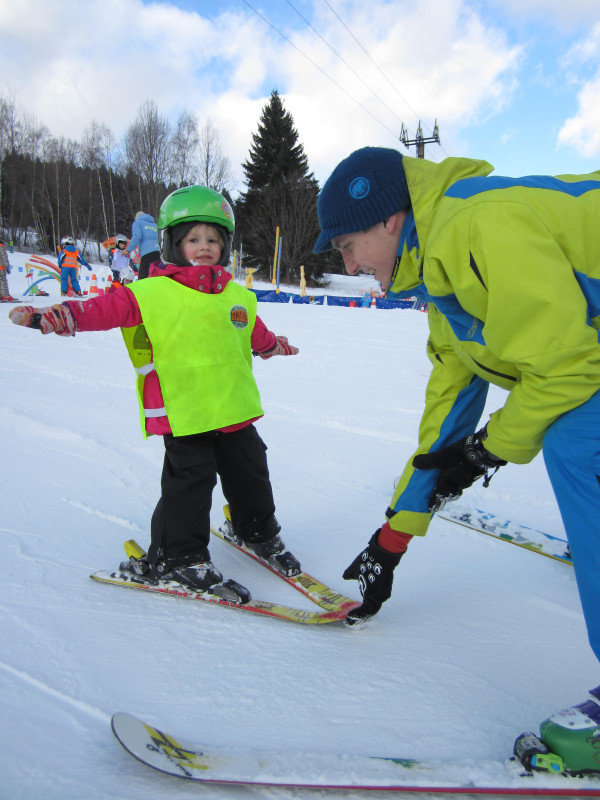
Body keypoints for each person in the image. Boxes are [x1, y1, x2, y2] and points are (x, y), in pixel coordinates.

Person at [313, 146, 600, 773]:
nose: (351, 264)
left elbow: (570, 366)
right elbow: (445, 420)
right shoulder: (443, 285)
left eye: (346, 246)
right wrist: (392, 539)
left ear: (390, 221)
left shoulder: (477, 226)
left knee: (576, 441)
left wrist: (490, 449)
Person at [9, 185, 300, 601]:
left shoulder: (239, 299)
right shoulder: (151, 292)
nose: (204, 248)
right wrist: (60, 315)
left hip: (234, 408)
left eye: (213, 239)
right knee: (190, 483)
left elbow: (256, 334)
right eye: (193, 239)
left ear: (226, 245)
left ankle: (255, 529)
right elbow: (102, 309)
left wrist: (275, 346)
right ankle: (178, 558)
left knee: (251, 471)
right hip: (185, 412)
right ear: (172, 244)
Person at [128, 211, 160, 280]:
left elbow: (137, 236)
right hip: (158, 253)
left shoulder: (137, 223)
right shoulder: (154, 224)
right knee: (155, 277)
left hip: (147, 254)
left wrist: (128, 250)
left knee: (142, 278)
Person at [0, 236, 17, 302]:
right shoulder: (1, 247)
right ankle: (5, 295)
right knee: (2, 281)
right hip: (1, 268)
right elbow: (4, 258)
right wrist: (7, 267)